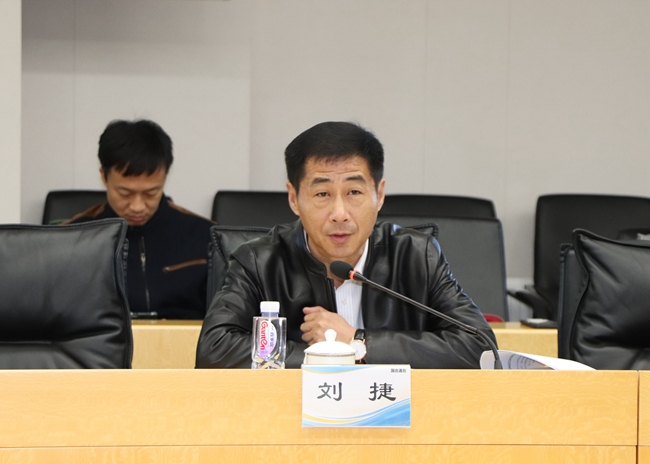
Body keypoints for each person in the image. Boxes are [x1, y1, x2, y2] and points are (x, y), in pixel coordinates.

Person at [196, 121, 496, 368]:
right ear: (294, 198)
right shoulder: (259, 262)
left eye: (354, 192)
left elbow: (480, 347)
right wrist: (330, 356)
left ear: (379, 195)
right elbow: (214, 351)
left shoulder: (416, 256)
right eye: (322, 194)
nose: (339, 214)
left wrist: (357, 342)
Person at [65, 119, 214, 319]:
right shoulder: (71, 239)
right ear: (103, 177)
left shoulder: (207, 238)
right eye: (124, 193)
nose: (138, 206)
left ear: (165, 177)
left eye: (151, 193)